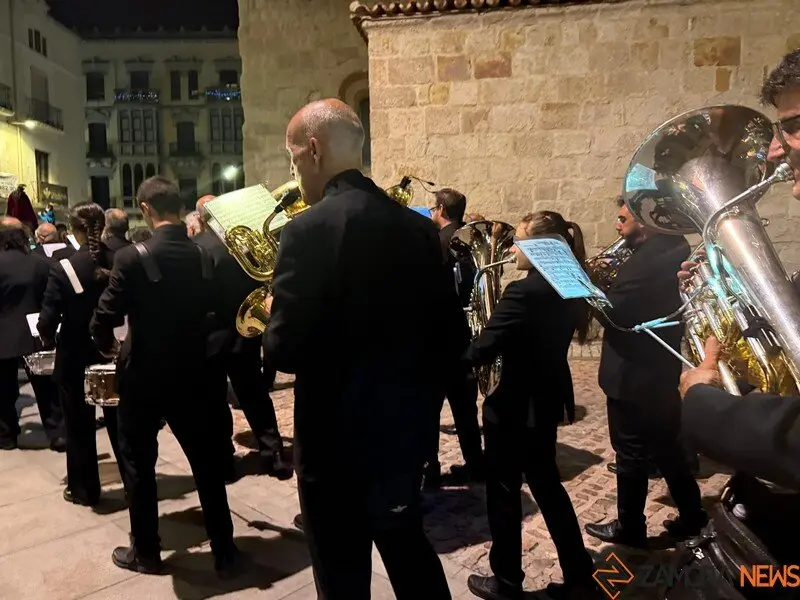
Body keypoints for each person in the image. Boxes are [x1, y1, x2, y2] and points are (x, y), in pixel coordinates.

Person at [265, 98, 451, 598]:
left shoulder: (306, 229)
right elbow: (449, 337)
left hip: (334, 447)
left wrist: (271, 311)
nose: (294, 171)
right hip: (403, 438)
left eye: (294, 159)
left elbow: (282, 351)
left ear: (314, 147)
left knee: (342, 577)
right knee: (410, 554)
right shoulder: (419, 229)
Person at [90, 176, 239, 576]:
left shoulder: (132, 257)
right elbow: (225, 317)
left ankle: (148, 552)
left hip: (145, 377)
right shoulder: (207, 255)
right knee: (206, 465)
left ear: (145, 209)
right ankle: (225, 550)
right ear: (180, 206)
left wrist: (109, 348)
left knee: (139, 465)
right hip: (195, 373)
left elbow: (103, 318)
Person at [464, 211, 601, 600]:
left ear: (540, 247)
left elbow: (485, 346)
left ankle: (506, 581)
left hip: (513, 405)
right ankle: (578, 571)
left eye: (518, 241)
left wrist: (447, 364)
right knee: (547, 486)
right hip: (543, 400)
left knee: (504, 492)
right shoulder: (567, 284)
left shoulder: (525, 292)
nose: (511, 249)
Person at [584, 198, 707, 548]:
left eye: (624, 219)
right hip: (658, 369)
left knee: (630, 452)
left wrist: (588, 290)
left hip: (633, 370)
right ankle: (693, 515)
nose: (617, 225)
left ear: (644, 221)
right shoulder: (673, 247)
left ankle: (631, 527)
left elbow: (616, 312)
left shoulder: (649, 257)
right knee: (667, 447)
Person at [193, 198, 292, 480]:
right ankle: (273, 456)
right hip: (244, 332)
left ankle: (225, 463)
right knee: (255, 396)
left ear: (201, 220)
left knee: (215, 401)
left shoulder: (200, 247)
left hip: (212, 336)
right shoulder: (247, 245)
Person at [38, 202, 124, 506]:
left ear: (73, 229)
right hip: (113, 350)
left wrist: (45, 333)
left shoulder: (63, 268)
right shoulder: (121, 259)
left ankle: (85, 490)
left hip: (75, 355)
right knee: (121, 425)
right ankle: (133, 483)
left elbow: (47, 320)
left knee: (78, 426)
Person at [425, 187, 484, 488]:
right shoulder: (469, 242)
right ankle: (476, 464)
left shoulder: (436, 243)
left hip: (436, 339)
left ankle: (429, 471)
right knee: (465, 409)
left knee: (428, 411)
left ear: (439, 209)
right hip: (462, 335)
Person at [0, 217, 65, 450]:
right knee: (46, 389)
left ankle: (7, 435)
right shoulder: (40, 263)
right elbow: (52, 298)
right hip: (35, 333)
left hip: (3, 336)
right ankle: (56, 433)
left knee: (4, 391)